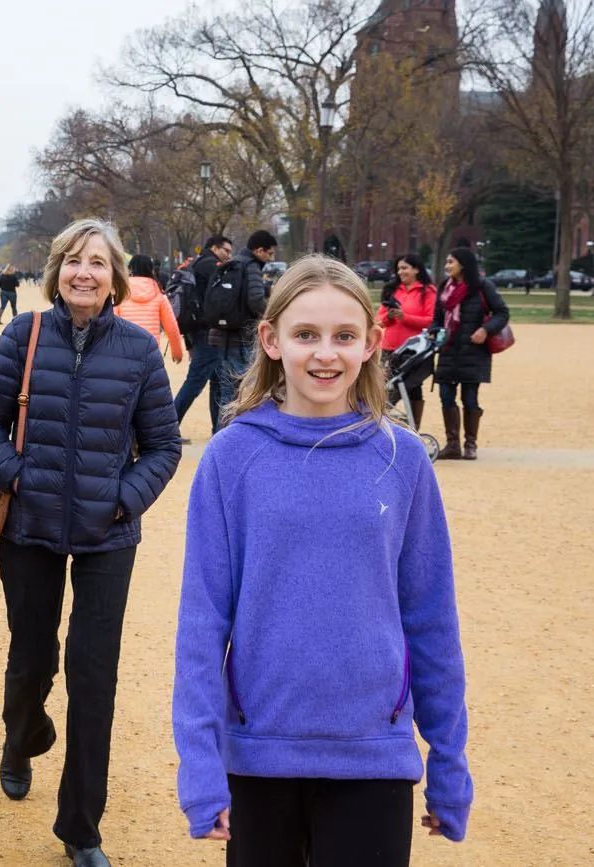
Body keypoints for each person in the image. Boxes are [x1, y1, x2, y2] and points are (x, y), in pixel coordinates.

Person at [173, 255, 473, 867]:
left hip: (373, 754)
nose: (325, 354)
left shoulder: (403, 460)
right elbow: (202, 625)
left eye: (344, 336)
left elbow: (431, 620)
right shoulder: (231, 458)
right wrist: (200, 766)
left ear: (371, 343)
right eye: (306, 334)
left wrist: (449, 762)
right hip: (259, 753)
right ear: (271, 340)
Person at [0, 219, 181, 867]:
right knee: (31, 658)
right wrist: (17, 477)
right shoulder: (24, 335)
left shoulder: (138, 349)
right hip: (30, 525)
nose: (84, 272)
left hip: (107, 531)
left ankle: (81, 826)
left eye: (97, 262)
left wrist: (123, 498)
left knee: (94, 675)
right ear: (56, 271)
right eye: (73, 260)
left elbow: (164, 445)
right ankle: (21, 735)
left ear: (115, 276)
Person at [432, 247, 510, 460]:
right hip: (448, 350)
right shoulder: (445, 287)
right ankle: (452, 444)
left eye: (451, 262)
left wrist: (486, 329)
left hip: (474, 351)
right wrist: (433, 331)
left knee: (470, 398)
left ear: (463, 264)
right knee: (446, 396)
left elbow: (502, 312)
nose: (447, 266)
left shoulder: (482, 286)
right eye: (447, 262)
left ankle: (470, 444)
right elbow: (437, 317)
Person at [207, 230, 275, 425]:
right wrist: (274, 315)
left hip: (225, 336)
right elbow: (256, 301)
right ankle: (234, 434)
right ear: (259, 250)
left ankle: (220, 435)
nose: (271, 258)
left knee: (227, 394)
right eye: (269, 253)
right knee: (246, 392)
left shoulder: (234, 262)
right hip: (242, 337)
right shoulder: (251, 266)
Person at [171, 235, 233, 441]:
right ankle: (168, 428)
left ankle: (218, 430)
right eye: (226, 250)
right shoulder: (210, 266)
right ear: (214, 248)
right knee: (196, 381)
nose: (229, 255)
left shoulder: (196, 263)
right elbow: (219, 298)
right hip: (207, 331)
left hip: (199, 329)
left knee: (217, 381)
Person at [379, 253, 437, 429]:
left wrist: (405, 317)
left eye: (405, 268)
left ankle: (413, 427)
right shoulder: (392, 290)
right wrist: (390, 316)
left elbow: (431, 320)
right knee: (384, 386)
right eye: (398, 268)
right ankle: (381, 422)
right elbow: (379, 320)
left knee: (411, 387)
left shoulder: (427, 291)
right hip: (390, 348)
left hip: (414, 350)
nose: (400, 272)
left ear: (416, 269)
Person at [117, 254, 183, 363]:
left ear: (130, 268)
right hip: (151, 352)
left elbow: (111, 324)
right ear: (151, 269)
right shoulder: (159, 294)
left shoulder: (121, 293)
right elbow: (171, 326)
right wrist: (177, 352)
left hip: (126, 352)